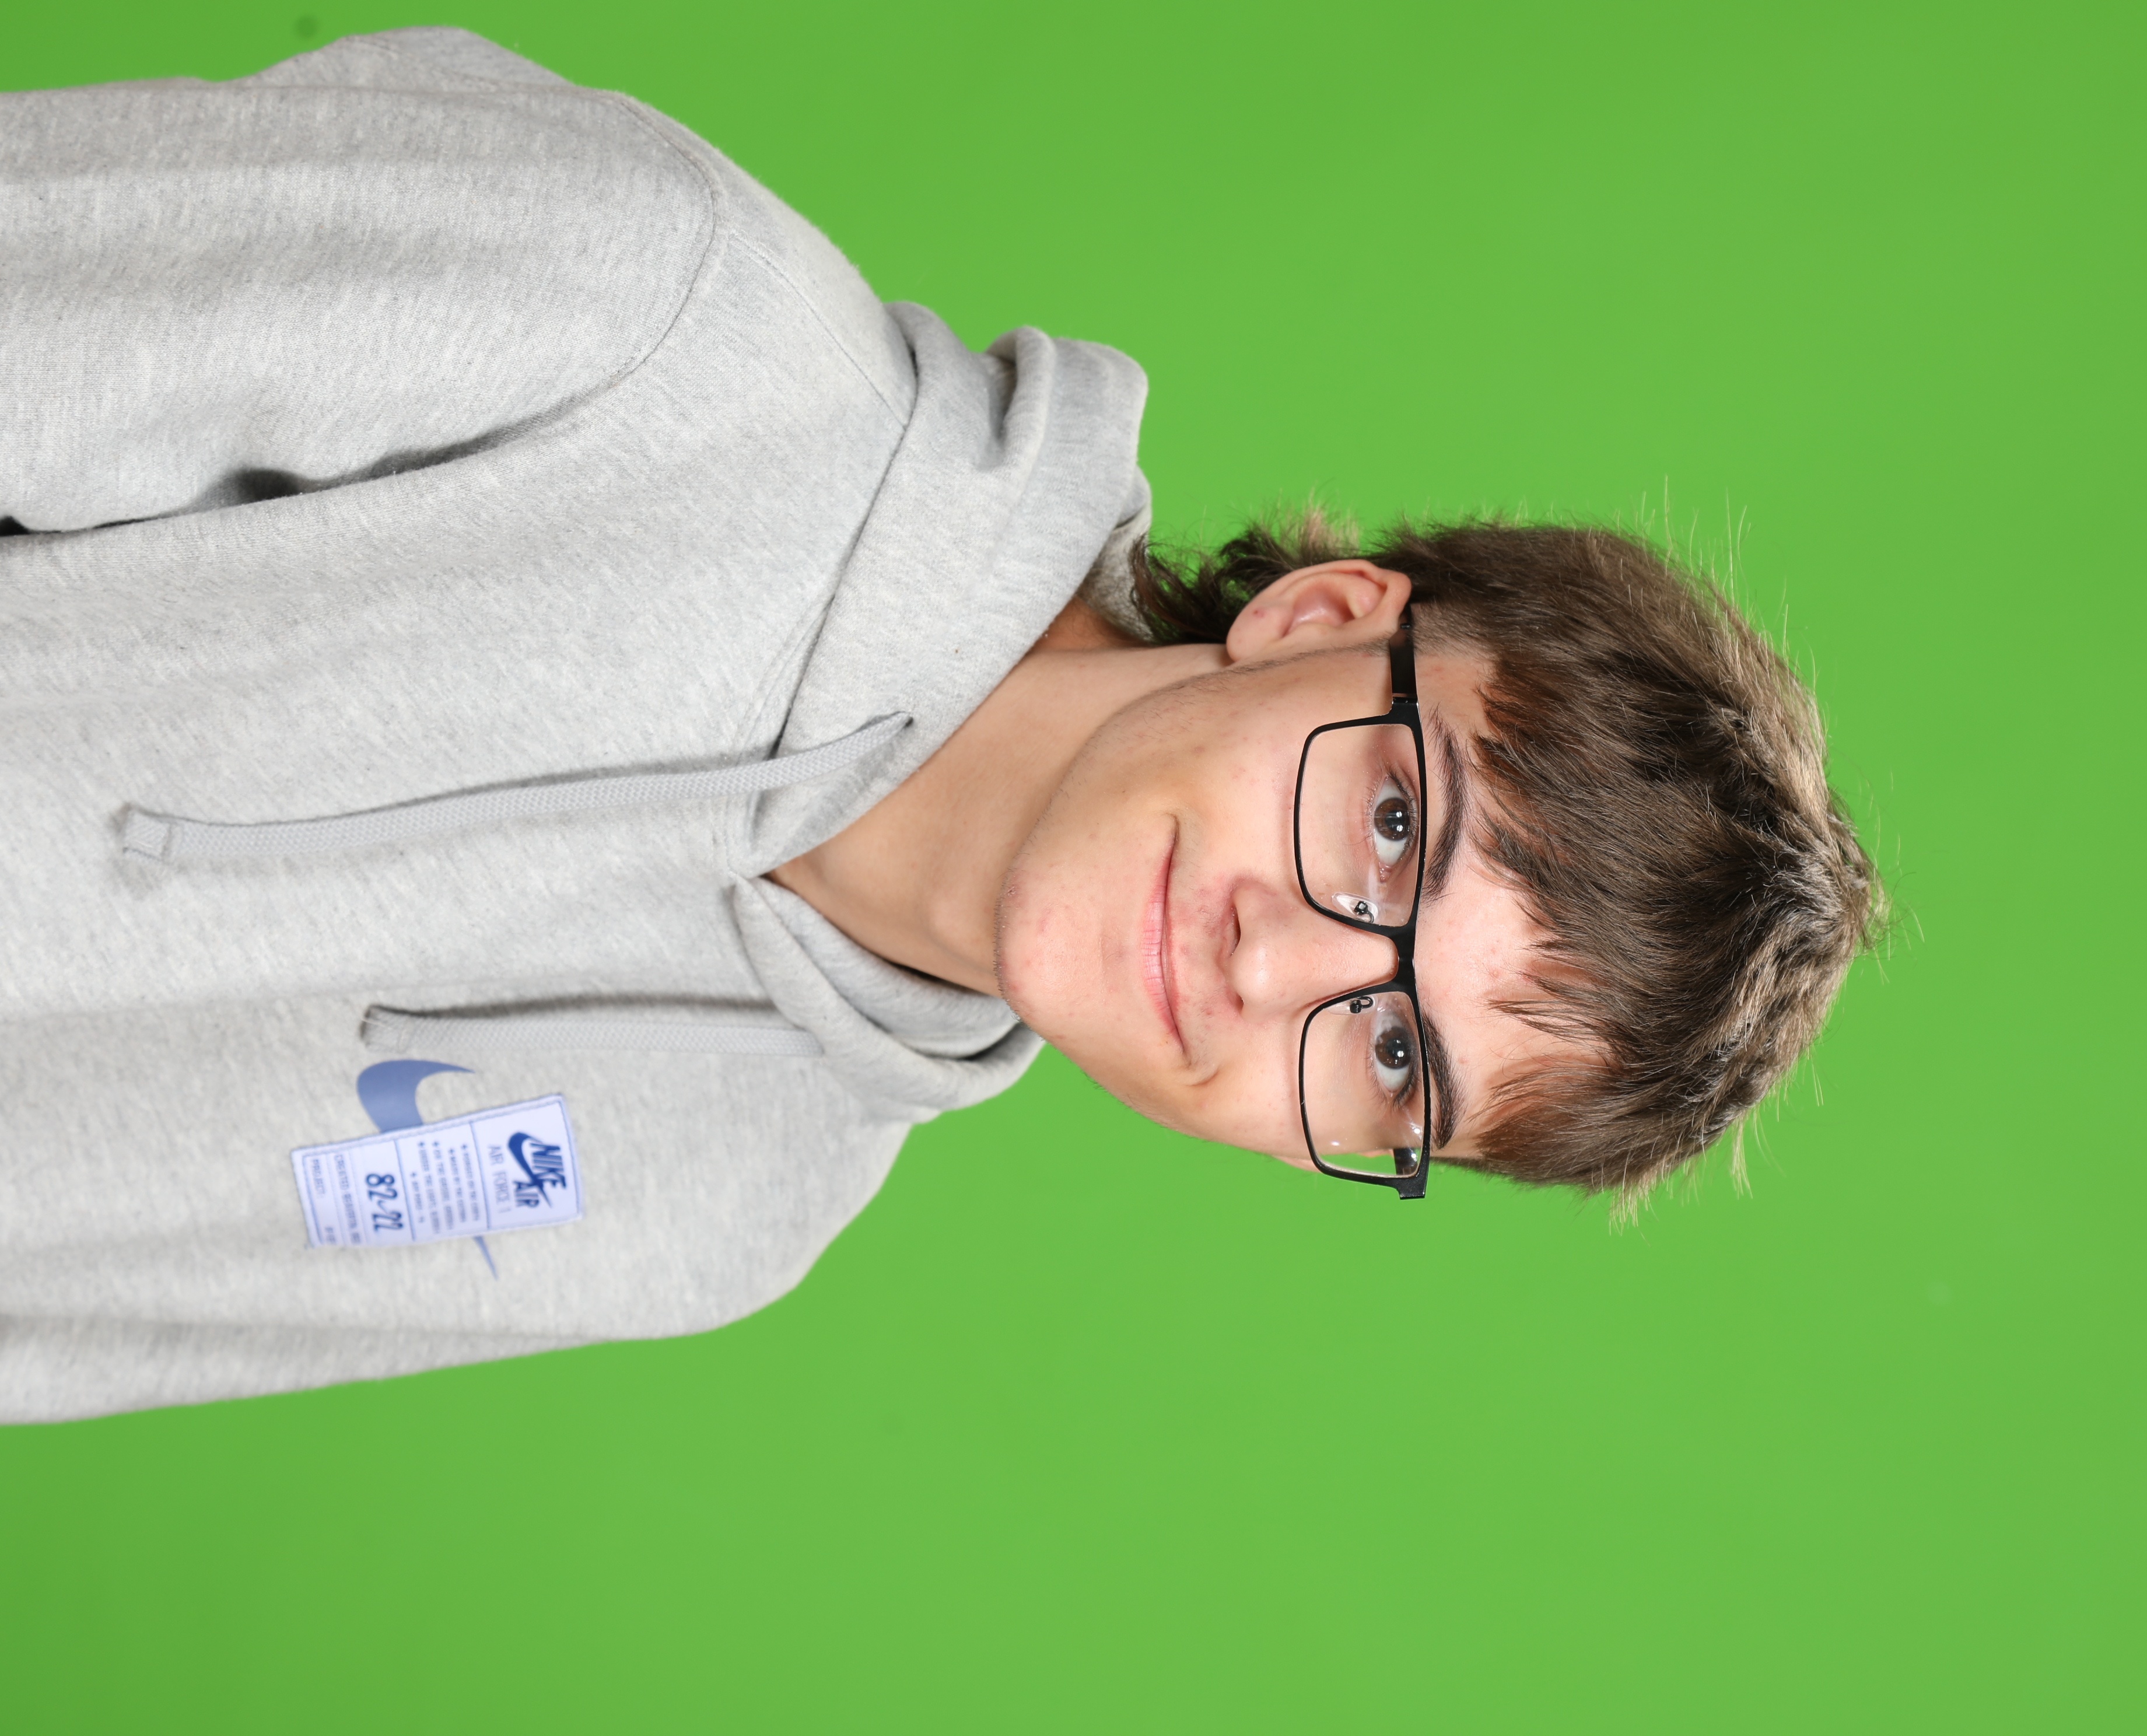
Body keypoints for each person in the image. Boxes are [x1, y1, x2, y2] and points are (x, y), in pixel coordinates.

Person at [0, 28, 1881, 1424]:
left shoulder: (725, 1206)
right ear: (1317, 623)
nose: (1276, 966)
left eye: (1393, 1057)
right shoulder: (651, 316)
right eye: (1393, 830)